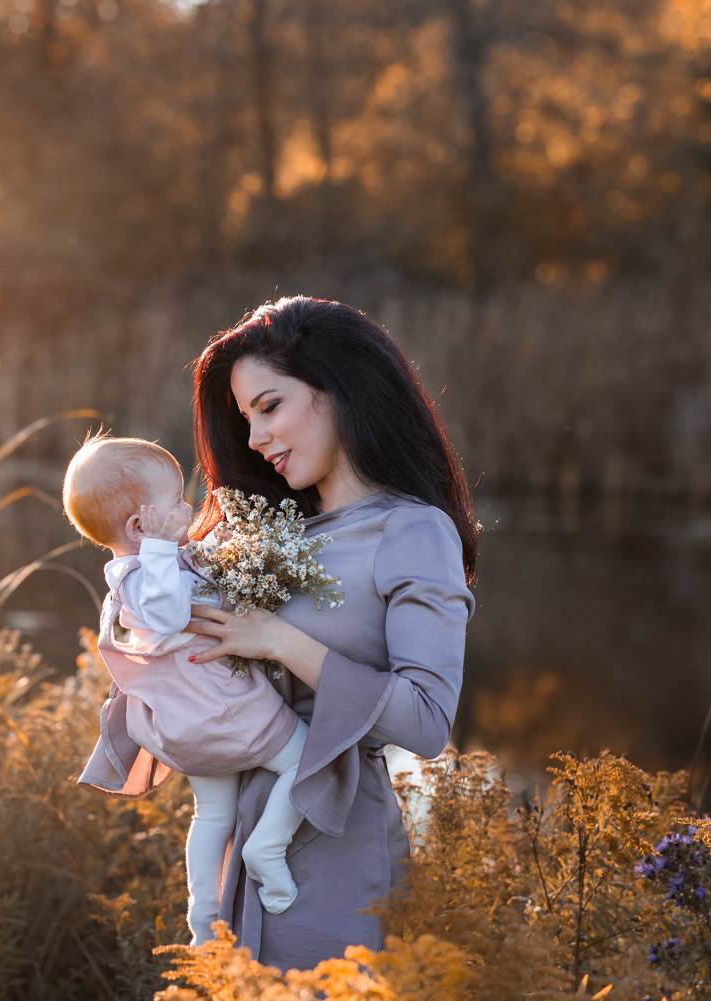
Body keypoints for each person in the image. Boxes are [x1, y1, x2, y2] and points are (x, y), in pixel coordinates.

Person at [83, 295, 479, 970]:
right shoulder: (263, 528)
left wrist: (276, 638)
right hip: (243, 835)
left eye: (269, 406)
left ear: (338, 390)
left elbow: (427, 721)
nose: (256, 436)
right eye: (245, 418)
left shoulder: (412, 530)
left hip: (335, 842)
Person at [64, 433, 312, 944]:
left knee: (212, 814)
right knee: (307, 758)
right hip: (225, 712)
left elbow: (194, 573)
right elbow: (171, 610)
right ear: (140, 526)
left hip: (189, 728)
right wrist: (160, 548)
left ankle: (204, 922)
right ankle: (268, 844)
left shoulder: (155, 565)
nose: (188, 508)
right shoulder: (139, 579)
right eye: (175, 502)